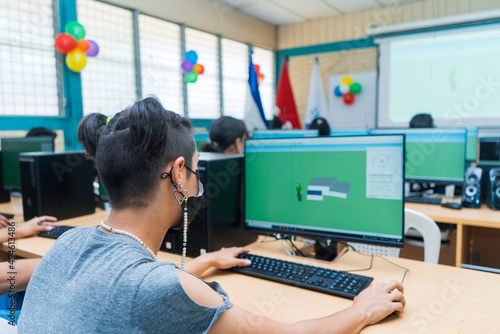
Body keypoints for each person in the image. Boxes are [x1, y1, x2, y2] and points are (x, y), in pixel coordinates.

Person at [18, 97, 405, 333]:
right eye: (196, 171)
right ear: (179, 173)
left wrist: (202, 262)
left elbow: (123, 287)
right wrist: (361, 310)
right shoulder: (161, 288)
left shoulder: (68, 244)